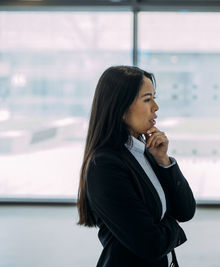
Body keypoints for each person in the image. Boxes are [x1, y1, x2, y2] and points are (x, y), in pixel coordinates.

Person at [77, 66, 196, 267]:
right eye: (148, 99)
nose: (156, 107)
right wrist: (172, 227)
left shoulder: (144, 151)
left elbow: (185, 210)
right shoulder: (105, 166)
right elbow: (150, 244)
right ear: (121, 108)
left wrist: (163, 161)